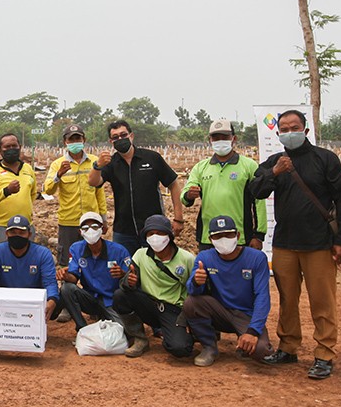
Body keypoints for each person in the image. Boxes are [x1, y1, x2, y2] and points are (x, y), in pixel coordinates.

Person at [249, 109, 341, 380]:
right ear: (278, 133)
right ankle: (288, 346)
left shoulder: (325, 159)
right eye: (283, 129)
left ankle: (324, 354)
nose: (289, 132)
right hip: (284, 243)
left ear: (305, 130)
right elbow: (255, 191)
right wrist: (274, 172)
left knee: (322, 301)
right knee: (287, 299)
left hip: (319, 243)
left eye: (294, 127)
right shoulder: (274, 161)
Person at [184, 215, 273, 367]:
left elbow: (262, 296)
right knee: (191, 303)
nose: (223, 239)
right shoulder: (205, 257)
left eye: (228, 234)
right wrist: (196, 282)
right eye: (218, 236)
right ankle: (209, 346)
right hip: (219, 311)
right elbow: (192, 290)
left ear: (237, 235)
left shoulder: (257, 258)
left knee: (261, 350)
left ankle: (244, 342)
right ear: (211, 239)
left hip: (246, 314)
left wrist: (253, 331)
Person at [88, 120, 184, 256]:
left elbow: (173, 184)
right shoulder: (111, 163)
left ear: (131, 136)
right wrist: (98, 165)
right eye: (115, 137)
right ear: (111, 142)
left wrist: (178, 218)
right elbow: (93, 182)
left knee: (155, 266)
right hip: (123, 231)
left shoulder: (151, 158)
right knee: (125, 270)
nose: (120, 139)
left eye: (123, 135)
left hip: (153, 229)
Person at [44, 124, 108, 323]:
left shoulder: (95, 162)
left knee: (94, 263)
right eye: (71, 139)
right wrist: (58, 176)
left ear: (84, 139)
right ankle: (66, 305)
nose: (74, 142)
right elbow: (47, 190)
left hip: (91, 221)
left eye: (77, 138)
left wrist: (103, 218)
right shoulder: (58, 164)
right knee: (66, 264)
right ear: (65, 142)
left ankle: (95, 304)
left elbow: (99, 192)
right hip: (68, 221)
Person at [113, 214, 194, 358]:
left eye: (160, 233)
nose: (155, 237)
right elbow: (127, 283)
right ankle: (139, 338)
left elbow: (194, 291)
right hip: (148, 304)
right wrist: (129, 282)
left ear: (169, 235)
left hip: (173, 309)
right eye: (151, 233)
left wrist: (188, 317)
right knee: (120, 295)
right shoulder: (140, 255)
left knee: (180, 349)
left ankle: (182, 334)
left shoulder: (187, 259)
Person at [182, 119, 266, 250]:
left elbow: (259, 201)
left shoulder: (249, 166)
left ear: (234, 138)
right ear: (210, 140)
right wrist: (189, 195)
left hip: (240, 236)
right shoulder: (200, 167)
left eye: (225, 137)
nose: (220, 141)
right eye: (216, 138)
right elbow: (185, 197)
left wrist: (258, 235)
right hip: (209, 237)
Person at [0, 215, 59, 320]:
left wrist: (52, 300)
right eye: (13, 233)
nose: (17, 236)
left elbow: (50, 282)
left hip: (32, 301)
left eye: (21, 233)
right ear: (6, 234)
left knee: (56, 303)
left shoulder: (42, 253)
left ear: (29, 234)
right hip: (4, 300)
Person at [57, 212, 128, 332]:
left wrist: (122, 274)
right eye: (85, 228)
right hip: (90, 298)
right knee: (66, 288)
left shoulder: (119, 251)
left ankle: (108, 317)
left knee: (123, 332)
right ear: (80, 232)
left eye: (94, 227)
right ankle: (82, 329)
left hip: (110, 300)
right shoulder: (76, 249)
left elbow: (131, 279)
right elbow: (74, 278)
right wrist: (65, 276)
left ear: (102, 229)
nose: (90, 231)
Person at [0, 133, 38, 248]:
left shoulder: (28, 169)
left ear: (20, 147)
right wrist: (6, 191)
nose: (11, 149)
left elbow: (32, 194)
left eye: (14, 146)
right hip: (1, 227)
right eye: (7, 147)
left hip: (25, 226)